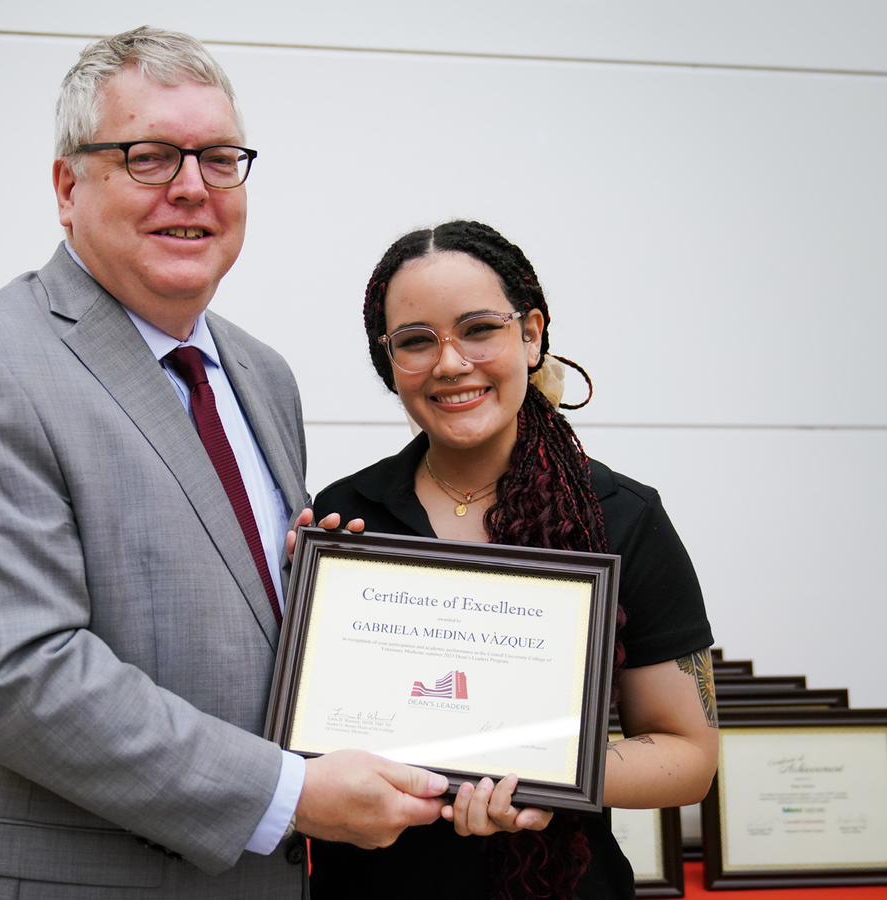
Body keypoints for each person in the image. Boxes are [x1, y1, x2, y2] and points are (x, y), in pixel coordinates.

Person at [0, 27, 449, 900]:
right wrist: (292, 795)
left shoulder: (262, 375)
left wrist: (317, 605)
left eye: (219, 158)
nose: (192, 187)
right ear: (69, 186)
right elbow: (17, 675)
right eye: (149, 157)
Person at [308, 220, 719, 899]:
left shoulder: (622, 516)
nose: (449, 363)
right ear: (390, 365)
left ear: (530, 334)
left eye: (479, 329)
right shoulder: (347, 514)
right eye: (416, 341)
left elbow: (690, 759)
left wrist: (536, 771)